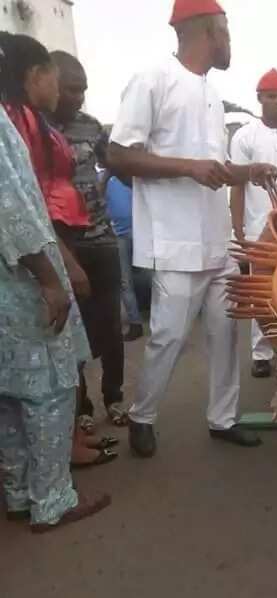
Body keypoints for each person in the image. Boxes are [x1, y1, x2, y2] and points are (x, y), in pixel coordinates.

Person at [108, 0, 277, 457]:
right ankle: (143, 416)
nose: (230, 43)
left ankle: (223, 418)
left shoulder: (211, 94)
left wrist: (249, 171)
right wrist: (189, 168)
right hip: (176, 240)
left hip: (218, 239)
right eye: (227, 32)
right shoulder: (153, 79)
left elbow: (214, 169)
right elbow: (119, 156)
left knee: (225, 335)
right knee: (167, 337)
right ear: (208, 31)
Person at [0, 32, 119, 469]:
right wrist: (60, 269)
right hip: (40, 254)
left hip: (54, 245)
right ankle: (52, 482)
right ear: (37, 75)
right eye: (57, 78)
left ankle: (57, 455)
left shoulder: (26, 120)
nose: (66, 91)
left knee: (62, 355)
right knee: (46, 370)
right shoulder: (18, 124)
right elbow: (25, 206)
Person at [0, 103, 110, 531]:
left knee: (8, 394)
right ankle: (52, 501)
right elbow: (9, 206)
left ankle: (20, 495)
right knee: (47, 390)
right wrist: (48, 277)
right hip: (21, 279)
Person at [49, 50, 128, 432]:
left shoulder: (91, 126)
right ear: (52, 84)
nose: (78, 97)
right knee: (71, 333)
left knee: (111, 327)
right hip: (64, 246)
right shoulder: (34, 130)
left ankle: (114, 398)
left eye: (83, 90)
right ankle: (81, 408)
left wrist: (101, 185)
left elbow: (114, 162)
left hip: (101, 239)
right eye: (71, 89)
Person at [230, 68, 277, 379]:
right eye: (272, 96)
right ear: (259, 98)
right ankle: (261, 353)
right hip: (258, 226)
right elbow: (236, 182)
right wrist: (237, 229)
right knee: (262, 289)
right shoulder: (245, 135)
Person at [105, 172, 145, 341]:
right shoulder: (109, 180)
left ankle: (138, 322)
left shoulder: (130, 178)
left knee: (130, 280)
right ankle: (136, 322)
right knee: (126, 280)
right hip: (124, 234)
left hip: (135, 232)